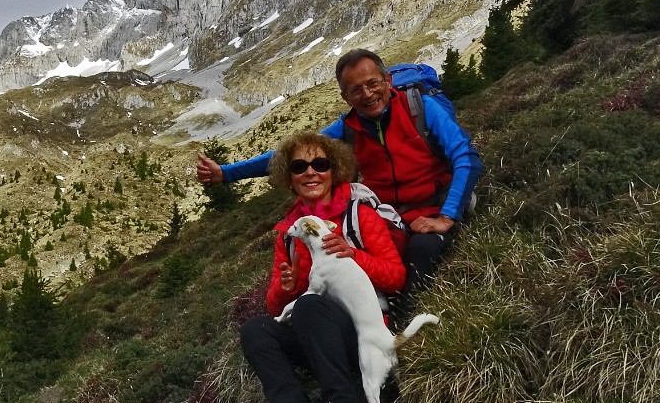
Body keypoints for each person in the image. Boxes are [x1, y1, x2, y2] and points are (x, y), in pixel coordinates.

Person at [199, 48, 481, 313]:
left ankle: (398, 316)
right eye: (356, 90)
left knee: (422, 247)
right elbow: (292, 155)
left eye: (373, 83)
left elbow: (466, 157)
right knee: (356, 254)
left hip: (433, 204)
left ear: (388, 80)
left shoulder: (421, 108)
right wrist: (226, 173)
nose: (368, 94)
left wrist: (445, 216)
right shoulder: (348, 129)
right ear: (345, 97)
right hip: (389, 216)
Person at [239, 130, 407, 403]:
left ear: (335, 170)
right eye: (299, 167)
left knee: (309, 306)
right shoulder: (290, 234)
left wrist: (355, 256)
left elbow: (395, 277)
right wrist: (284, 288)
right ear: (290, 179)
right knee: (255, 330)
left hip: (361, 336)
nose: (310, 172)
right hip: (315, 336)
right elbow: (275, 308)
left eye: (320, 164)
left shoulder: (360, 216)